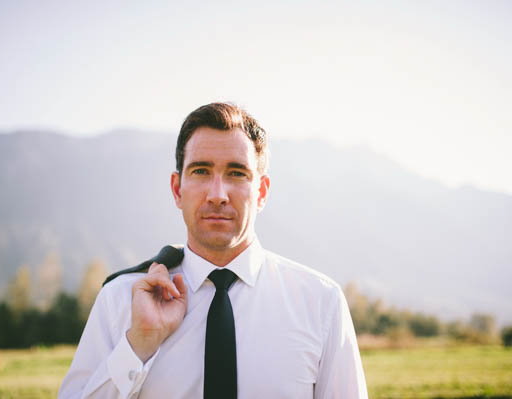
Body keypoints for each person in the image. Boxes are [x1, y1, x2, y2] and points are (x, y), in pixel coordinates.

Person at [59, 102, 368, 398]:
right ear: (177, 189)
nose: (218, 194)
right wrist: (139, 343)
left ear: (260, 192)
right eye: (201, 171)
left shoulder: (320, 303)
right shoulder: (120, 300)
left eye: (237, 173)